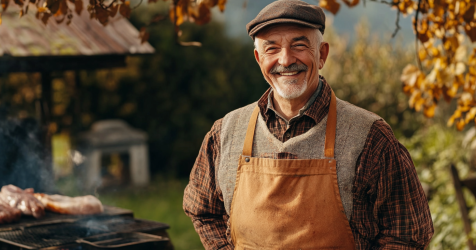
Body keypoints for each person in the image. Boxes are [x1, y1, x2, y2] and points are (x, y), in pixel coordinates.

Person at [183, 0, 434, 249]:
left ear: (322, 54)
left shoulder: (370, 135)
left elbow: (407, 234)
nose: (286, 59)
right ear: (259, 58)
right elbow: (202, 210)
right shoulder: (225, 132)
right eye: (272, 48)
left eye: (299, 45)